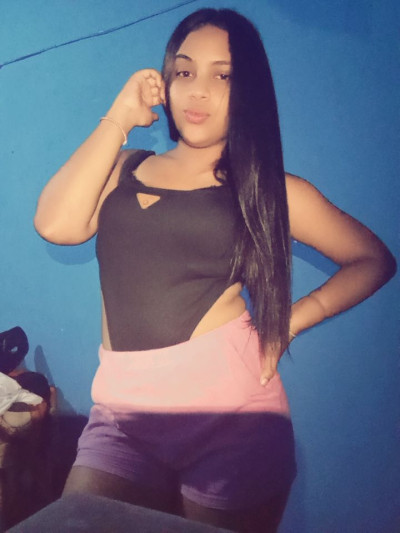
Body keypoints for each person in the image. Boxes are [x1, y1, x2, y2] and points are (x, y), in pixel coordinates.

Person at [33, 8, 396, 533]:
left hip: (232, 422)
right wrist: (119, 116)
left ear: (248, 89)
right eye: (184, 71)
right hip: (121, 415)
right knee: (74, 522)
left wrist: (289, 323)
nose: (198, 90)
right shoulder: (127, 165)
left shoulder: (267, 188)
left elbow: (372, 259)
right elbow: (56, 224)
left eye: (222, 75)